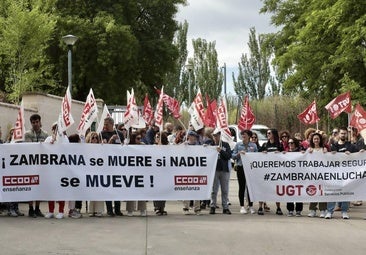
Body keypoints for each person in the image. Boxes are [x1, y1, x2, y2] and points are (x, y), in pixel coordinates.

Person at [325, 127, 357, 220]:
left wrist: (360, 152)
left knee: (345, 192)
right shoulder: (333, 146)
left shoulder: (351, 146)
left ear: (347, 134)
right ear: (338, 134)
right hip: (334, 174)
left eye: (345, 133)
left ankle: (344, 211)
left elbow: (358, 155)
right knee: (333, 192)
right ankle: (330, 211)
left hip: (346, 174)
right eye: (341, 133)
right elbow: (327, 158)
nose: (343, 135)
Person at [24, 113, 48, 217]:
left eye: (37, 122)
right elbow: (29, 147)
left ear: (40, 122)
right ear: (31, 123)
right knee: (31, 186)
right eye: (33, 122)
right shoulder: (28, 134)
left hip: (41, 165)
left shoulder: (45, 134)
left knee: (40, 187)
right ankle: (30, 209)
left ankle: (37, 208)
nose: (35, 124)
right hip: (31, 164)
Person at [44, 122, 69, 219]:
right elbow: (44, 150)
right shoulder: (48, 139)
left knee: (60, 191)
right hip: (51, 169)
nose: (57, 131)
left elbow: (67, 150)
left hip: (61, 169)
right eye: (55, 129)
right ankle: (51, 211)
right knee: (51, 190)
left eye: (59, 129)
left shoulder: (65, 139)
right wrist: (51, 144)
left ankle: (61, 211)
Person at [101, 117, 124, 216]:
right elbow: (103, 148)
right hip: (107, 164)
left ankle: (117, 209)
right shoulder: (102, 134)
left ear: (111, 124)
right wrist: (111, 140)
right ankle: (109, 210)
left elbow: (124, 147)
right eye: (104, 124)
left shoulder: (119, 133)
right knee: (108, 187)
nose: (105, 126)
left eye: (107, 124)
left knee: (117, 187)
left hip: (117, 164)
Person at [258, 128, 284, 215]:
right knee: (263, 188)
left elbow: (285, 155)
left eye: (269, 133)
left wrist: (280, 153)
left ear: (274, 134)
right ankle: (260, 207)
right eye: (267, 133)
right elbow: (257, 154)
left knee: (277, 189)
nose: (267, 134)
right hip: (265, 171)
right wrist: (262, 152)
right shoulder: (265, 144)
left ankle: (278, 208)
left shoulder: (279, 145)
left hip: (276, 172)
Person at [232, 129, 258, 214]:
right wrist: (238, 154)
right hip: (241, 167)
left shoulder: (253, 145)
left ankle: (250, 206)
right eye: (242, 134)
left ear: (249, 136)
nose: (243, 136)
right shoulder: (238, 145)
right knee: (242, 187)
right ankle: (242, 206)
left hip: (250, 169)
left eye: (245, 134)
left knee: (250, 187)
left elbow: (257, 156)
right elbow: (233, 156)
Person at [209, 130, 232, 215]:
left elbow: (229, 156)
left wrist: (221, 151)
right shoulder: (210, 145)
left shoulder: (225, 145)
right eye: (214, 135)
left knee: (225, 190)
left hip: (224, 170)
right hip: (214, 170)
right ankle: (212, 206)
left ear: (220, 136)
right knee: (214, 190)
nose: (215, 137)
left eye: (217, 135)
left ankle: (225, 207)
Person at [125, 131, 147, 217]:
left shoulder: (143, 146)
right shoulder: (128, 146)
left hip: (141, 172)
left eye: (140, 138)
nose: (139, 140)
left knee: (142, 191)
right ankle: (130, 210)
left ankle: (142, 209)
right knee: (130, 192)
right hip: (130, 172)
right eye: (137, 138)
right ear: (133, 139)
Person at [307, 132, 328, 218]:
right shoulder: (309, 150)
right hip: (312, 174)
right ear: (312, 140)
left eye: (318, 139)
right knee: (313, 191)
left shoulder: (324, 149)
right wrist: (307, 152)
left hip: (322, 174)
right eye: (314, 139)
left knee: (322, 192)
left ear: (320, 140)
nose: (316, 140)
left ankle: (323, 210)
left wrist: (327, 152)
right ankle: (312, 210)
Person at [85, 132, 105, 217]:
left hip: (99, 172)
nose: (95, 139)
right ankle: (91, 210)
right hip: (90, 172)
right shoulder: (85, 149)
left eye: (96, 138)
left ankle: (99, 210)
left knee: (99, 191)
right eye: (93, 138)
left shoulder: (101, 148)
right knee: (91, 191)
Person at [182, 130, 202, 215]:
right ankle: (186, 208)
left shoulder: (199, 146)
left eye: (195, 136)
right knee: (186, 189)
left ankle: (197, 208)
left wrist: (205, 148)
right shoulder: (184, 145)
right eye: (192, 136)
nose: (194, 138)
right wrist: (182, 146)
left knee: (196, 189)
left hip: (196, 171)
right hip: (186, 170)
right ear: (189, 136)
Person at [285, 138, 303, 216]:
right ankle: (290, 209)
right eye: (289, 143)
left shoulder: (300, 152)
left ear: (295, 143)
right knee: (289, 192)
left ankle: (298, 210)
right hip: (289, 175)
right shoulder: (286, 153)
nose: (290, 145)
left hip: (299, 175)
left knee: (299, 192)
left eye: (292, 143)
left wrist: (304, 153)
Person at [153, 131, 169, 216]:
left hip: (165, 173)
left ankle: (162, 208)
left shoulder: (168, 148)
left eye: (158, 137)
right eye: (156, 137)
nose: (156, 138)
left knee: (163, 191)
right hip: (155, 173)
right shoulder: (152, 147)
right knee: (156, 191)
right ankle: (157, 208)